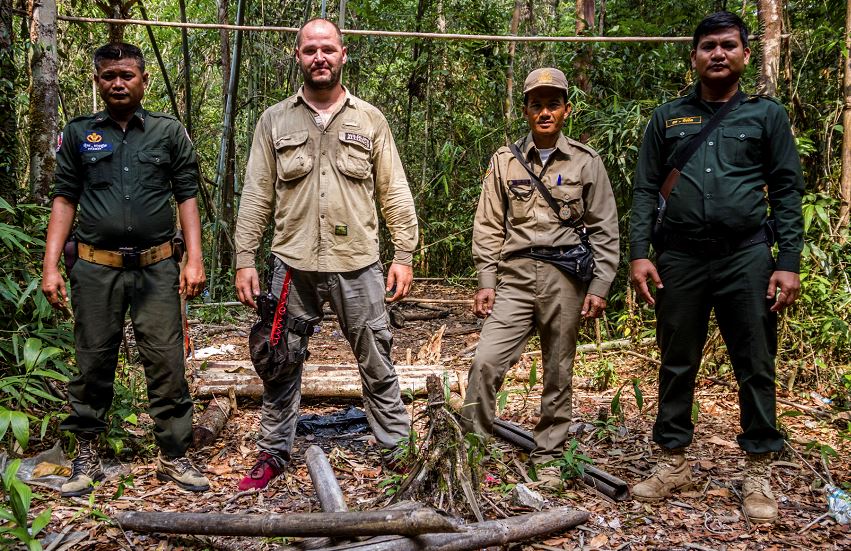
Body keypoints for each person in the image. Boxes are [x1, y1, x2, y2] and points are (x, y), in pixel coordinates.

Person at [629, 12, 803, 523]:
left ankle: (758, 469)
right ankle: (673, 460)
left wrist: (788, 262)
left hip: (745, 256)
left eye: (728, 45)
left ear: (745, 54)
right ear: (694, 57)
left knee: (755, 360)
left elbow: (787, 190)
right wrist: (639, 253)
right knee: (676, 358)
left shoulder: (766, 116)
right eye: (708, 46)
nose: (718, 53)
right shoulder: (666, 118)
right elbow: (645, 189)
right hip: (679, 257)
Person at [234, 18, 418, 491]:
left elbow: (393, 190)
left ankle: (397, 449)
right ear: (297, 56)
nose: (320, 57)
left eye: (328, 49)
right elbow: (256, 194)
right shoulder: (274, 121)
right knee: (280, 361)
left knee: (377, 358)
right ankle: (273, 451)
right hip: (292, 265)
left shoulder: (369, 120)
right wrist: (244, 258)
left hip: (358, 263)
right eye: (310, 49)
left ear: (342, 55)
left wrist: (404, 253)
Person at [42, 43, 209, 496]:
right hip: (96, 268)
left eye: (127, 75)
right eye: (109, 75)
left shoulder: (167, 132)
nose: (118, 83)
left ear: (143, 80)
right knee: (93, 360)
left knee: (166, 360)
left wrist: (193, 258)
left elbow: (186, 195)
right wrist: (50, 266)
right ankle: (87, 454)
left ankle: (174, 454)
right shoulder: (79, 133)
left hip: (157, 267)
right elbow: (65, 198)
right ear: (98, 81)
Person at [460, 67, 620, 488]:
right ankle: (472, 453)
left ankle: (548, 456)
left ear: (566, 110)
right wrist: (486, 280)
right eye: (537, 105)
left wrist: (600, 286)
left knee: (558, 371)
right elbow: (488, 224)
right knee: (485, 361)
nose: (545, 112)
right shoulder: (505, 160)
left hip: (565, 278)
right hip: (514, 278)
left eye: (553, 104)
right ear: (526, 111)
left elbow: (605, 228)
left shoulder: (586, 161)